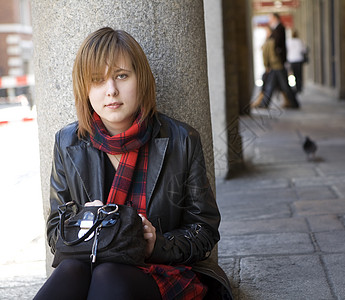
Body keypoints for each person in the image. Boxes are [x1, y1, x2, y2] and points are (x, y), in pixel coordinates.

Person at [34, 27, 232, 300]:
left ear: (142, 79)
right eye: (97, 80)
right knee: (69, 272)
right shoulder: (68, 142)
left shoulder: (181, 140)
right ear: (85, 88)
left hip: (158, 269)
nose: (111, 91)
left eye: (122, 76)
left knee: (108, 274)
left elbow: (205, 229)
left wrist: (156, 243)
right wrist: (83, 222)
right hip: (88, 263)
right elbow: (55, 231)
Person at [251, 23, 299, 109]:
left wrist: (267, 66)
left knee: (279, 85)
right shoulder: (272, 41)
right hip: (276, 65)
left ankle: (292, 103)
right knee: (273, 85)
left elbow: (268, 55)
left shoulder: (270, 41)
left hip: (276, 66)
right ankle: (265, 103)